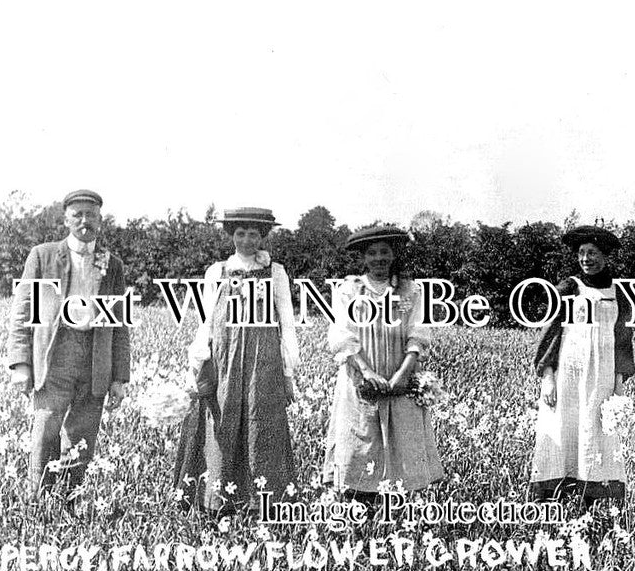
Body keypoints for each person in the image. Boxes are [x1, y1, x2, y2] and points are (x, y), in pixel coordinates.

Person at [7, 189, 130, 507]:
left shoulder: (112, 264)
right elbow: (22, 311)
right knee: (46, 428)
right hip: (55, 353)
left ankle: (69, 503)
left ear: (100, 220)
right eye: (78, 215)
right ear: (66, 220)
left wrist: (119, 377)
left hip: (95, 357)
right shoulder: (43, 256)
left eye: (91, 215)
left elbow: (119, 323)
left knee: (82, 436)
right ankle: (38, 504)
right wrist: (21, 364)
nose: (85, 221)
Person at [174, 207, 298, 514]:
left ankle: (261, 502)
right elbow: (205, 323)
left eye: (254, 234)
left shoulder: (276, 272)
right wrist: (198, 363)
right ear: (231, 235)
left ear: (263, 236)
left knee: (261, 422)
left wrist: (288, 372)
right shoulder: (216, 272)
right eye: (240, 233)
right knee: (221, 422)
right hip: (224, 359)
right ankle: (217, 500)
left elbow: (287, 323)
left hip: (263, 361)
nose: (247, 240)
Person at [322, 225, 444, 506]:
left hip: (400, 376)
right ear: (363, 257)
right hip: (361, 377)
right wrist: (366, 371)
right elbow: (342, 334)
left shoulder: (410, 290)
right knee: (361, 439)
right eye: (372, 253)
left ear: (394, 254)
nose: (379, 258)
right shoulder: (349, 290)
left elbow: (418, 332)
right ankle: (359, 504)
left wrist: (403, 373)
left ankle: (398, 508)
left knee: (402, 441)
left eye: (384, 252)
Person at [531, 225, 635, 510]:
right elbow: (551, 332)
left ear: (605, 256)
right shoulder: (569, 287)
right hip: (568, 375)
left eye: (592, 253)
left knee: (595, 432)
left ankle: (593, 501)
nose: (586, 258)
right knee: (563, 429)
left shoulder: (619, 292)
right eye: (581, 253)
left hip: (602, 377)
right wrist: (548, 377)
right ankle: (554, 499)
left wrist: (618, 386)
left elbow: (623, 341)